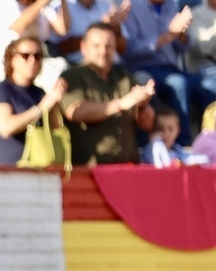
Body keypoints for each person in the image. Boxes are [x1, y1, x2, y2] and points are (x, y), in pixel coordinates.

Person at [60, 22, 156, 165]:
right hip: (89, 169)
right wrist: (120, 104)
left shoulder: (124, 76)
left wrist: (143, 105)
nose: (103, 51)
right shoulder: (72, 76)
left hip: (127, 166)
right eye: (96, 46)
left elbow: (148, 124)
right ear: (83, 48)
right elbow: (74, 111)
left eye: (108, 46)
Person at [124, 0, 212, 147]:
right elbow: (130, 51)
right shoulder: (131, 6)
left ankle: (210, 143)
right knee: (178, 83)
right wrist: (169, 35)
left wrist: (182, 34)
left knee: (210, 85)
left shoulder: (171, 5)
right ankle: (183, 144)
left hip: (171, 67)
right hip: (143, 67)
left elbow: (183, 48)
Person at [0, 35, 68, 165]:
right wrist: (41, 108)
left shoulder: (40, 93)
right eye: (25, 56)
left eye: (37, 56)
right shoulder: (1, 89)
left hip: (37, 166)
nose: (32, 61)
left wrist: (55, 104)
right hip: (8, 167)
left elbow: (54, 130)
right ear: (12, 59)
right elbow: (6, 128)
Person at [0, 0, 70, 84]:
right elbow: (17, 27)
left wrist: (63, 1)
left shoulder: (40, 6)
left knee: (62, 68)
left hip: (35, 69)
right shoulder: (5, 3)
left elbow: (62, 29)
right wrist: (42, 2)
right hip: (9, 75)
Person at [50, 0, 130, 65]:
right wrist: (100, 29)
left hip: (113, 67)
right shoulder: (59, 5)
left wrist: (116, 29)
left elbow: (122, 49)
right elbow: (60, 47)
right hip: (78, 68)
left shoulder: (106, 5)